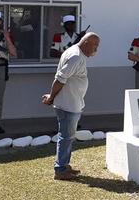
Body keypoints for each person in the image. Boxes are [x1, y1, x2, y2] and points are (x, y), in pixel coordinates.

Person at [41, 33, 99, 181]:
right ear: (86, 43)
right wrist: (51, 96)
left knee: (67, 137)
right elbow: (60, 78)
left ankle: (64, 165)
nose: (96, 50)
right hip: (67, 104)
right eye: (95, 46)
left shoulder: (76, 52)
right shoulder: (76, 56)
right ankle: (60, 169)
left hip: (71, 103)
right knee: (65, 137)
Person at [0, 11, 17, 133]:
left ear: (1, 22)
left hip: (1, 68)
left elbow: (13, 53)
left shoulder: (5, 35)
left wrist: (6, 38)